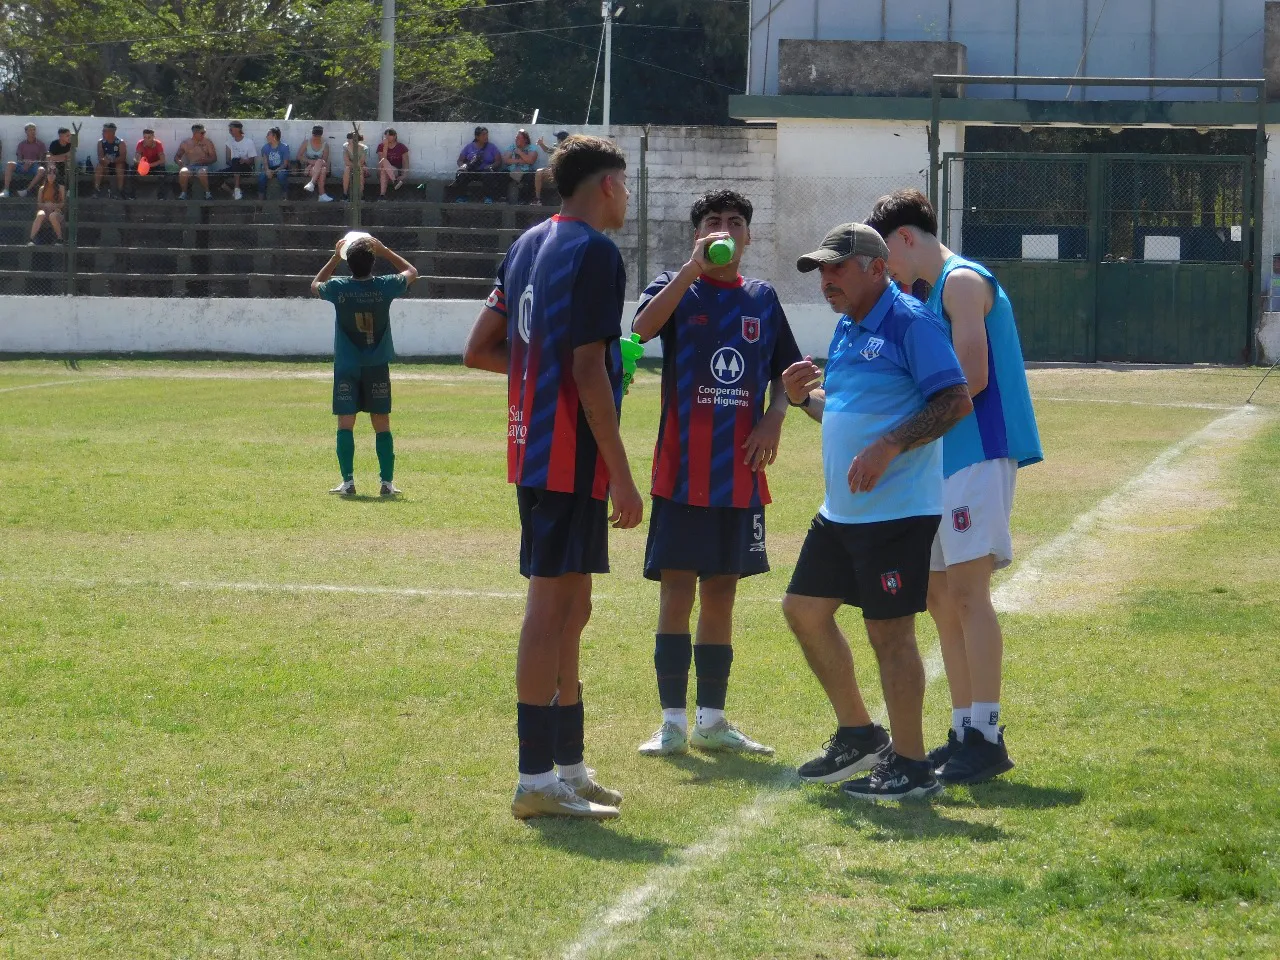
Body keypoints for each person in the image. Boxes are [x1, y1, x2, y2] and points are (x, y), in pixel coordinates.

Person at [462, 135, 640, 820]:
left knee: (573, 609)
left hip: (532, 448)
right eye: (624, 183)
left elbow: (481, 348)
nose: (627, 196)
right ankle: (534, 779)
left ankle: (568, 767)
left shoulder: (526, 244)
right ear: (605, 185)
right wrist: (622, 474)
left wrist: (537, 376)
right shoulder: (595, 252)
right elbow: (588, 368)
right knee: (549, 610)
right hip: (571, 457)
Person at [781, 222, 972, 802]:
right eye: (821, 270)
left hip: (897, 513)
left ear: (878, 268)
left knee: (890, 634)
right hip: (842, 512)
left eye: (837, 267)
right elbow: (846, 412)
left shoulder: (911, 323)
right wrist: (801, 400)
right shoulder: (847, 326)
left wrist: (888, 447)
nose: (826, 280)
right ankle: (860, 734)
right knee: (804, 611)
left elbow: (954, 401)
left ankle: (911, 765)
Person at [866, 188, 1043, 786]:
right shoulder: (928, 291)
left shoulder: (962, 281)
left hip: (977, 451)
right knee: (940, 596)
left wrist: (899, 428)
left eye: (885, 253)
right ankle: (964, 728)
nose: (884, 267)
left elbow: (972, 375)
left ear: (905, 237)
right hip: (943, 458)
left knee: (968, 594)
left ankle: (987, 735)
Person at [632, 189, 801, 759]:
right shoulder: (675, 285)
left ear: (748, 235)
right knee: (677, 590)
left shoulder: (762, 298)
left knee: (722, 593)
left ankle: (712, 719)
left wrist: (775, 417)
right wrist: (691, 269)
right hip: (682, 471)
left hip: (740, 473)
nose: (723, 229)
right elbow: (641, 330)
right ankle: (671, 722)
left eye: (734, 222)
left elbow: (789, 373)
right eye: (711, 222)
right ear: (697, 233)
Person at [311, 235, 419, 497]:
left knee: (345, 423)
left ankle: (348, 482)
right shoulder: (385, 285)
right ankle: (387, 483)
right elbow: (412, 272)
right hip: (376, 364)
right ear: (373, 262)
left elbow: (315, 285)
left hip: (347, 365)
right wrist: (385, 250)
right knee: (381, 423)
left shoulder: (338, 288)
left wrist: (334, 257)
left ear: (348, 263)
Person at [452, 126, 502, 203]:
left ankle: (488, 198)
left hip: (485, 171)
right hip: (471, 171)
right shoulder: (469, 147)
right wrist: (463, 166)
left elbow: (498, 161)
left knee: (489, 174)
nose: (486, 136)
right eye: (483, 135)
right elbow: (460, 160)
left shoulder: (492, 147)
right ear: (477, 137)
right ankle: (462, 197)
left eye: (487, 134)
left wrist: (491, 166)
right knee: (460, 173)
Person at [1, 123, 47, 199]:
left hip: (34, 166)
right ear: (26, 132)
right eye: (30, 130)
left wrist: (32, 162)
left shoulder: (40, 144)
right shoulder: (21, 144)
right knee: (10, 164)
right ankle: (6, 191)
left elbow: (42, 160)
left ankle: (26, 191)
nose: (33, 131)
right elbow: (19, 159)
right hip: (22, 165)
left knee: (42, 169)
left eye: (34, 130)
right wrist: (24, 163)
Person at [175, 124, 217, 201]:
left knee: (202, 172)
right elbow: (177, 156)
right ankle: (183, 193)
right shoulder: (186, 143)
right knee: (183, 171)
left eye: (204, 132)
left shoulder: (208, 142)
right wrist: (179, 161)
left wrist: (206, 160)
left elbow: (214, 158)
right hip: (191, 165)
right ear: (195, 133)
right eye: (202, 133)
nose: (204, 134)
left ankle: (207, 193)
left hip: (204, 166)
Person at [28, 163, 65, 245]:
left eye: (53, 173)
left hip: (56, 212)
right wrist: (45, 206)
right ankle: (31, 239)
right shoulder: (42, 188)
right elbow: (39, 204)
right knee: (40, 214)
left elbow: (63, 204)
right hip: (45, 211)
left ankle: (60, 239)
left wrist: (54, 206)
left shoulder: (61, 188)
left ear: (56, 176)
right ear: (46, 175)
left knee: (52, 216)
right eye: (49, 173)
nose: (51, 175)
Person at [533, 130, 569, 205]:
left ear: (560, 139)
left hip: (563, 172)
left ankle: (565, 201)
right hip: (553, 171)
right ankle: (537, 199)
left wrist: (541, 144)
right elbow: (549, 150)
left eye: (558, 138)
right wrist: (541, 144)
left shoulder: (567, 147)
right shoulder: (557, 146)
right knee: (539, 172)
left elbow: (549, 150)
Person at [223, 121, 257, 200]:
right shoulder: (229, 143)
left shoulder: (249, 142)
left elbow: (252, 161)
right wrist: (236, 163)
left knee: (236, 160)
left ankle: (237, 188)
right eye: (229, 130)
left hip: (246, 169)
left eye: (231, 129)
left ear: (238, 129)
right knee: (215, 176)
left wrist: (244, 161)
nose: (230, 132)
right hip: (234, 167)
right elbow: (228, 160)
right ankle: (233, 193)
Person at [299, 125, 333, 202]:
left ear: (320, 136)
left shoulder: (325, 145)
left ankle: (312, 183)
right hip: (308, 168)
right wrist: (310, 162)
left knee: (322, 166)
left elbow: (324, 161)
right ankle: (322, 195)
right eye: (314, 136)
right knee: (322, 169)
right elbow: (299, 156)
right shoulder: (306, 142)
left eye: (317, 136)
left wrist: (315, 163)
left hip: (318, 167)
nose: (315, 137)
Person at [94, 122, 128, 198]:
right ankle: (96, 190)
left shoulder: (120, 142)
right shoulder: (101, 142)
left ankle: (120, 190)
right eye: (103, 131)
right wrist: (104, 160)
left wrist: (112, 160)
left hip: (117, 163)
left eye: (105, 131)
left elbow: (123, 157)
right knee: (99, 166)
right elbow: (100, 157)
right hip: (106, 164)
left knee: (120, 166)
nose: (102, 133)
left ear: (112, 132)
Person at [503, 129, 538, 201]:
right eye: (516, 137)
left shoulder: (531, 148)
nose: (516, 139)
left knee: (530, 177)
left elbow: (531, 161)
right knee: (501, 174)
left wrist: (520, 153)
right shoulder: (512, 147)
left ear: (525, 140)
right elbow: (505, 160)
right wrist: (520, 161)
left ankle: (524, 200)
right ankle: (503, 198)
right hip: (512, 171)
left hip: (525, 171)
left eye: (518, 138)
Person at [257, 127, 291, 200]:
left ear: (274, 136)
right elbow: (265, 162)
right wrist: (267, 170)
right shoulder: (265, 148)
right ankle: (260, 201)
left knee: (281, 175)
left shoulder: (284, 147)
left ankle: (285, 198)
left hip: (281, 168)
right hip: (269, 168)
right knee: (261, 177)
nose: (266, 136)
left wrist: (274, 171)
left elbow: (285, 164)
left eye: (268, 134)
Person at [376, 128, 409, 199]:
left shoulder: (401, 147)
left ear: (395, 136)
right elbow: (382, 160)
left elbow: (406, 162)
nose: (387, 137)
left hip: (395, 170)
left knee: (384, 170)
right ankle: (395, 182)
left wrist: (404, 175)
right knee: (383, 162)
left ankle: (382, 195)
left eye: (390, 135)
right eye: (386, 135)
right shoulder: (381, 146)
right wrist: (385, 146)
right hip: (381, 168)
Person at [132, 128, 166, 194]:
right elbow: (136, 158)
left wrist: (150, 165)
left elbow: (162, 160)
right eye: (145, 137)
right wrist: (138, 162)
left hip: (155, 166)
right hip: (143, 167)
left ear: (153, 137)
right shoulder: (140, 143)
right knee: (131, 172)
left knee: (162, 172)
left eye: (149, 137)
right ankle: (132, 194)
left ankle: (161, 195)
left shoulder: (158, 144)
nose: (146, 140)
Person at [342, 132, 368, 202]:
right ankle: (345, 194)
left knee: (360, 170)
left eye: (350, 139)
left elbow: (361, 162)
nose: (348, 141)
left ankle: (361, 194)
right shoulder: (345, 146)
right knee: (347, 169)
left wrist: (351, 150)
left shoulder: (364, 148)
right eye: (348, 139)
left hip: (361, 166)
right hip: (350, 165)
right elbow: (346, 162)